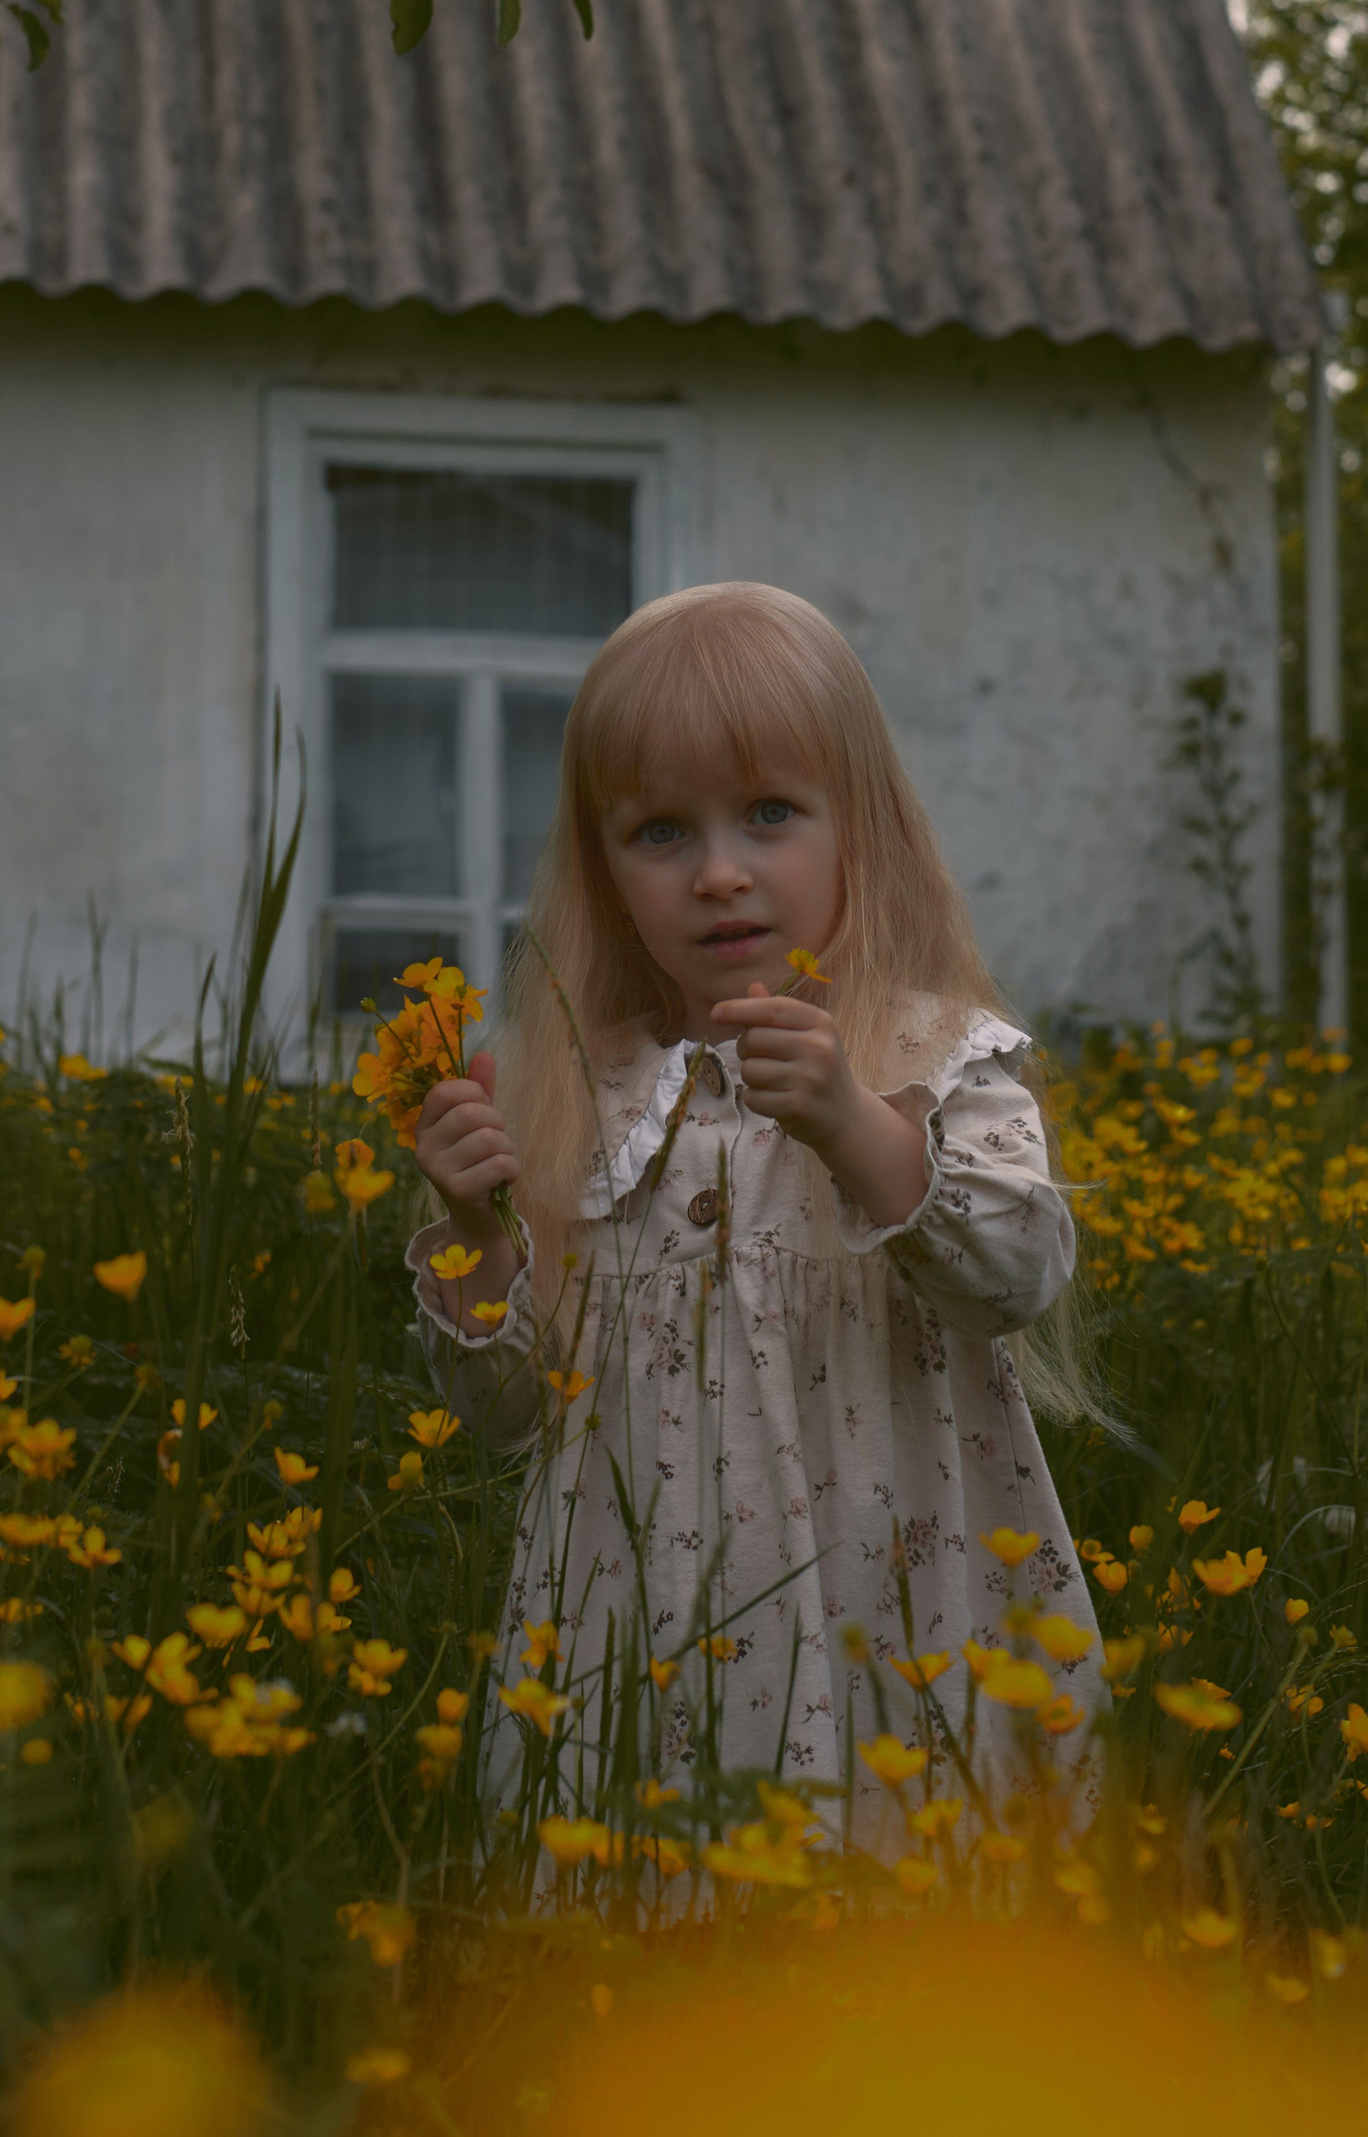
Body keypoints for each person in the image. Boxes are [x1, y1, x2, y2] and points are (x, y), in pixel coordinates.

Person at [406, 580, 1105, 1844]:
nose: (719, 874)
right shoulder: (581, 1093)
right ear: (605, 872)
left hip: (887, 1610)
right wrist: (475, 1233)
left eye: (769, 814)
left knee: (902, 1892)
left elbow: (1012, 1276)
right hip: (643, 1629)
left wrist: (852, 1123)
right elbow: (509, 1413)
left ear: (861, 826)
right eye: (660, 831)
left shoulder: (930, 1055)